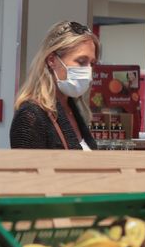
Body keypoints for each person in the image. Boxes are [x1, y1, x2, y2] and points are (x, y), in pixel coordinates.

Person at [10, 20, 101, 150]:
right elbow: (27, 168)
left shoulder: (72, 109)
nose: (88, 71)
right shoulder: (30, 115)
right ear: (52, 60)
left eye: (91, 63)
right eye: (81, 61)